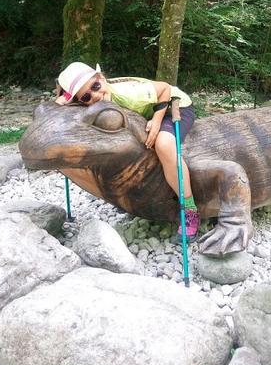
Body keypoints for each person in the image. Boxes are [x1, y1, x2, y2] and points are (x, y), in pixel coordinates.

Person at [55, 62, 199, 241]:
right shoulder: (96, 99)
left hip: (172, 106)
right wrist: (61, 101)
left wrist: (156, 120)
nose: (95, 95)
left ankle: (190, 209)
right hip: (142, 112)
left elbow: (164, 89)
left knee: (163, 144)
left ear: (102, 78)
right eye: (86, 96)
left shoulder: (130, 95)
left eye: (96, 86)